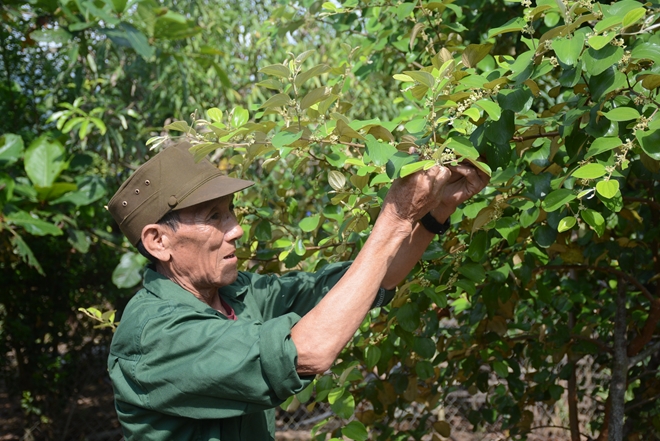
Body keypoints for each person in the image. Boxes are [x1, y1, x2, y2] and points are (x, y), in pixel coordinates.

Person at [106, 140, 489, 441]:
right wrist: (394, 216)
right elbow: (307, 353)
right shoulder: (156, 335)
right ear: (158, 242)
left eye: (230, 210)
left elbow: (374, 280)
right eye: (213, 217)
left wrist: (434, 211)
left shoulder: (237, 294)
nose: (236, 228)